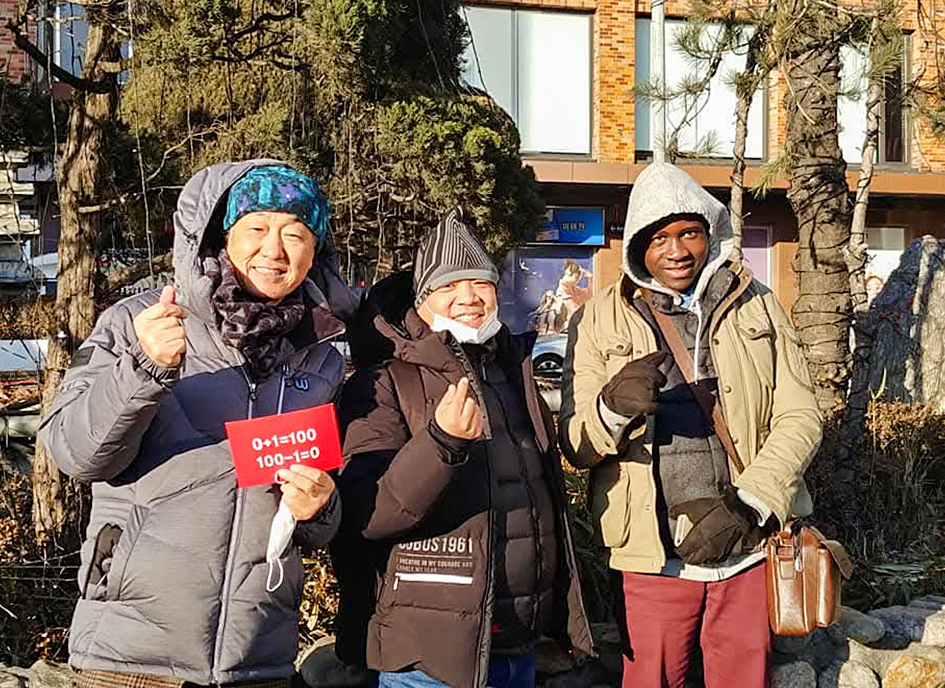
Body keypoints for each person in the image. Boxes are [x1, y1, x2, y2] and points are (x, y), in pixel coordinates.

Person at [39, 161, 356, 687]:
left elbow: (325, 505)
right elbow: (75, 453)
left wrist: (320, 507)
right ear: (222, 236)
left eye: (295, 234)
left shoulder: (320, 354)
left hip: (258, 660)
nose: (275, 250)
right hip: (130, 660)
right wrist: (143, 366)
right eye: (256, 229)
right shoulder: (140, 321)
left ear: (315, 250)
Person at [560, 162, 822, 688]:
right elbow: (576, 444)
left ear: (710, 233)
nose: (676, 250)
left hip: (748, 549)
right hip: (652, 558)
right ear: (637, 246)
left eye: (688, 234)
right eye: (659, 239)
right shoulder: (597, 319)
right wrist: (612, 409)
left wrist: (752, 500)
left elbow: (802, 413)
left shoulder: (759, 304)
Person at [332, 210, 594, 688]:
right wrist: (442, 442)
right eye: (449, 286)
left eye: (481, 283)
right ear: (422, 299)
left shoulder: (512, 370)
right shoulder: (384, 381)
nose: (469, 298)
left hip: (516, 641)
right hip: (427, 656)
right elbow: (368, 512)